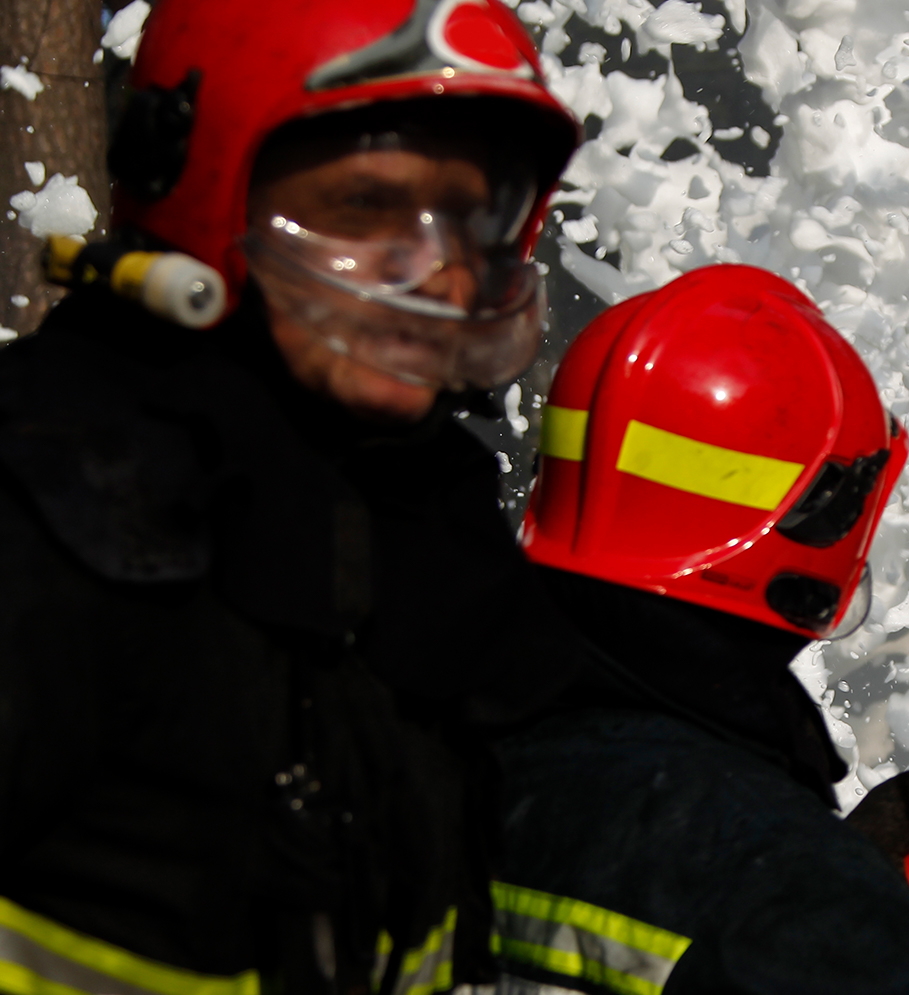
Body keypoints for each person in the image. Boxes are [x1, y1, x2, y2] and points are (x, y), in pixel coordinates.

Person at [0, 2, 583, 994]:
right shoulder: (51, 511)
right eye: (364, 205)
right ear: (201, 177)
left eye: (475, 217)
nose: (436, 274)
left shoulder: (427, 538)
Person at [492, 265, 909, 995]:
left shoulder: (403, 733)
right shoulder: (793, 899)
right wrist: (847, 909)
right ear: (818, 520)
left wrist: (839, 864)